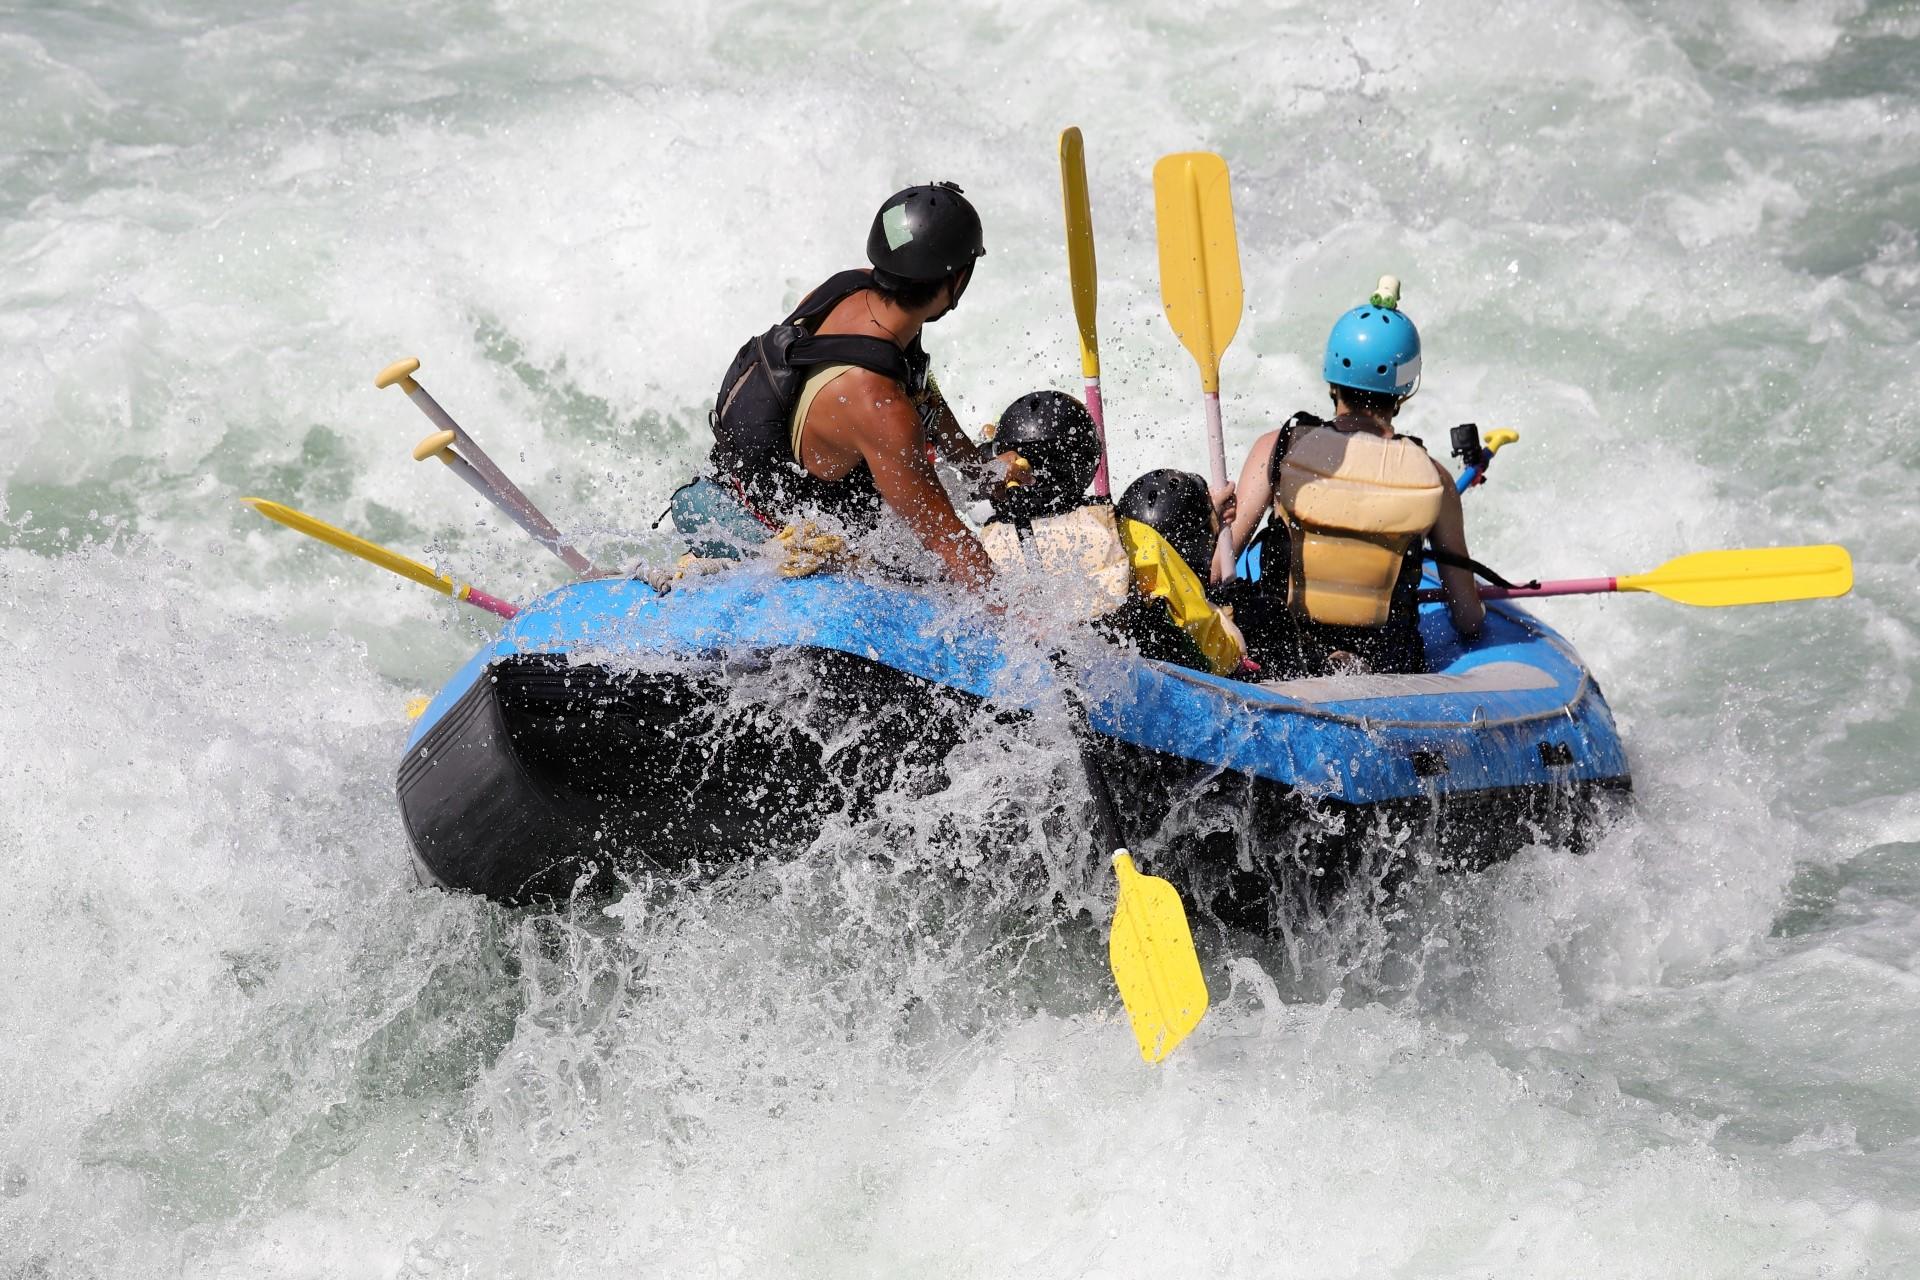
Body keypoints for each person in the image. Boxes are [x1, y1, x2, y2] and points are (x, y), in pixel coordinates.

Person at [695, 182, 998, 586]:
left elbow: (923, 393)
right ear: (957, 281)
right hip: (761, 532)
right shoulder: (880, 406)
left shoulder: (848, 287)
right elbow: (950, 545)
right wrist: (1034, 632)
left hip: (725, 484)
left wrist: (978, 470)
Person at [1224, 278, 1484, 676]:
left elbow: (1219, 566)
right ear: (1406, 389)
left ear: (1331, 379)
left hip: (1284, 657)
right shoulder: (1435, 479)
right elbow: (1467, 616)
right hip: (1385, 669)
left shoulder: (1276, 448)